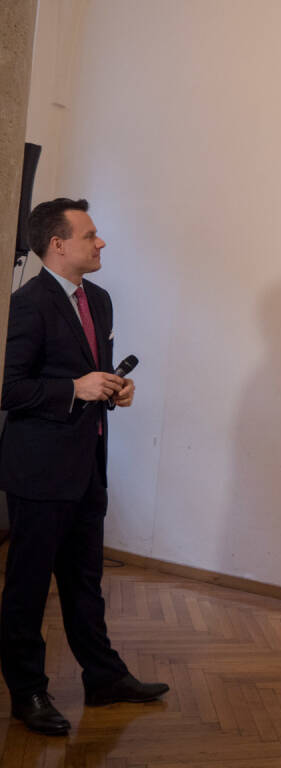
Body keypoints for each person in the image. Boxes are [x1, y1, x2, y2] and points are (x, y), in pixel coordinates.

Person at [0, 198, 168, 736]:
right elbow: (10, 388)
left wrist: (111, 390)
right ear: (58, 244)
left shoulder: (99, 299)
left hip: (87, 465)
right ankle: (27, 693)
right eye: (91, 235)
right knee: (27, 590)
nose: (101, 243)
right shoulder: (26, 304)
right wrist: (74, 388)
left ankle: (103, 679)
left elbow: (88, 375)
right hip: (38, 472)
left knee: (85, 583)